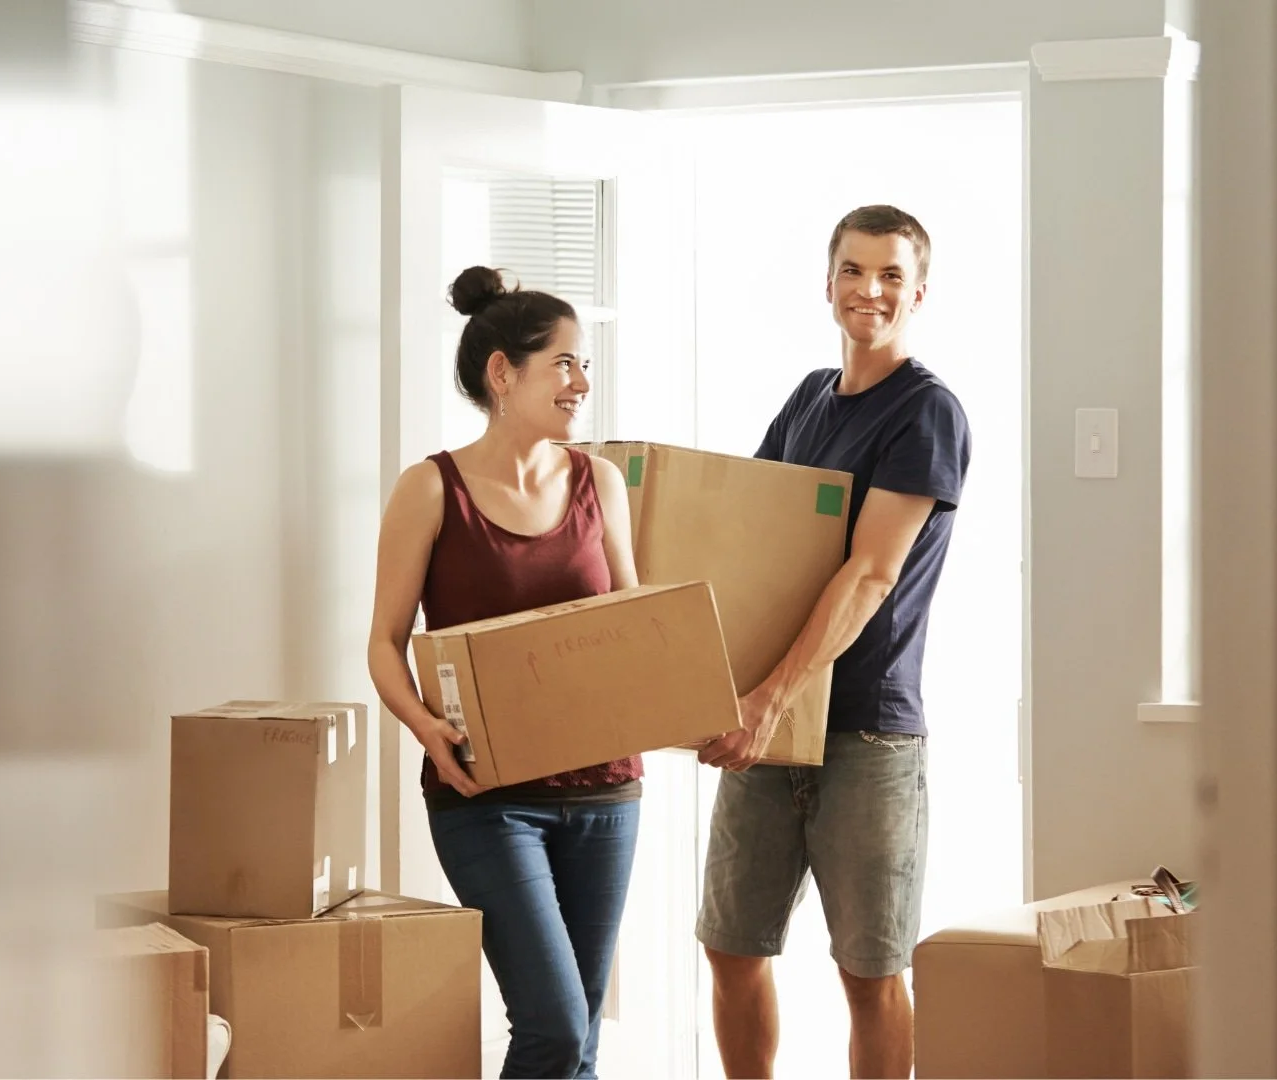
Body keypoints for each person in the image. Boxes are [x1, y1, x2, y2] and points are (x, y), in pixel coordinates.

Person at [695, 205, 972, 1079]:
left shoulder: (926, 412)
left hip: (865, 731)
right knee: (733, 949)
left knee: (869, 971)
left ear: (918, 292)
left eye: (892, 275)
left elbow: (868, 576)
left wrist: (769, 697)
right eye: (855, 271)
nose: (871, 290)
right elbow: (756, 547)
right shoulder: (809, 398)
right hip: (768, 724)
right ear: (828, 285)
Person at [366, 266, 642, 1080]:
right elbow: (384, 642)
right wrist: (425, 727)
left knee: (580, 1033)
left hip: (605, 794)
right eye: (564, 363)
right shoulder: (430, 490)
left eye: (583, 363)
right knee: (554, 1024)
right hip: (486, 799)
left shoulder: (602, 483)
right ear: (502, 373)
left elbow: (631, 629)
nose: (582, 382)